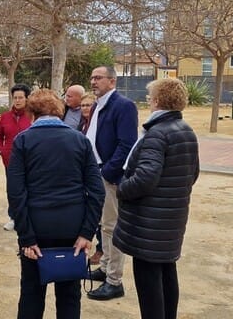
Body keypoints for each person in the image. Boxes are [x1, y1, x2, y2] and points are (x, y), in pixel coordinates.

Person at [7, 89, 105, 319]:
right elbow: (97, 191)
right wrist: (87, 232)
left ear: (31, 113)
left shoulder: (23, 140)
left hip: (36, 225)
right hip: (72, 227)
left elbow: (15, 193)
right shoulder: (79, 140)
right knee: (69, 295)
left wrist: (26, 237)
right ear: (59, 111)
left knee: (31, 293)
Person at [114, 78, 200, 319]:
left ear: (158, 100)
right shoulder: (186, 130)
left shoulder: (157, 134)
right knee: (167, 273)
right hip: (171, 218)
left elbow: (145, 178)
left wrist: (121, 188)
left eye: (150, 96)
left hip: (148, 224)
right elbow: (192, 173)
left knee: (149, 281)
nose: (148, 99)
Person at [85, 65, 139, 301]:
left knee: (111, 226)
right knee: (103, 226)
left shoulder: (123, 106)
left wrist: (107, 172)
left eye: (98, 78)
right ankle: (106, 266)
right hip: (95, 173)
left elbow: (127, 144)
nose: (93, 81)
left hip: (109, 176)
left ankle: (114, 280)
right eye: (92, 78)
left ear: (112, 81)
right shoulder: (98, 105)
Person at [0, 83, 32, 231]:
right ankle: (13, 217)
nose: (17, 100)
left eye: (21, 97)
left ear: (27, 99)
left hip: (30, 161)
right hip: (10, 161)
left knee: (30, 189)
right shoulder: (5, 117)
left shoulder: (32, 116)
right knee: (13, 190)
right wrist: (0, 149)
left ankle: (29, 217)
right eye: (15, 97)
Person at [76, 92, 103, 265]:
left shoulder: (98, 125)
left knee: (100, 216)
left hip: (98, 172)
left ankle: (101, 250)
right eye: (83, 105)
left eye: (89, 105)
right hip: (83, 174)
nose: (86, 108)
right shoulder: (81, 126)